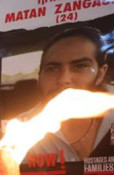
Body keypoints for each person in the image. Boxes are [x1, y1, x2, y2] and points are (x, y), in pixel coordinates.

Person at [24, 26, 113, 161]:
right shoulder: (22, 129)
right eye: (52, 68)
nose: (63, 80)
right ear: (40, 75)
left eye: (79, 66)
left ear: (101, 73)